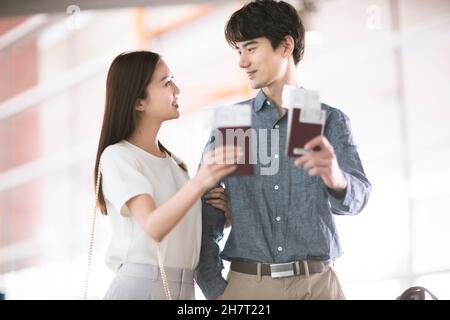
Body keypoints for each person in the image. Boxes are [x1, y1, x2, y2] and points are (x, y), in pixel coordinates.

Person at [195, 0, 372, 300]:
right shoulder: (234, 123)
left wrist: (335, 178)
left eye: (250, 48)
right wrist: (216, 290)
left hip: (318, 286)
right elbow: (205, 216)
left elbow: (357, 200)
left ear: (286, 46)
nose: (242, 61)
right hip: (249, 286)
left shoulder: (324, 118)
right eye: (238, 51)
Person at [94, 51, 238, 300]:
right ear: (139, 102)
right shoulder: (117, 156)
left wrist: (225, 218)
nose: (177, 88)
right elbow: (154, 226)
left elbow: (179, 230)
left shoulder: (176, 164)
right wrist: (202, 180)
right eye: (167, 82)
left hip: (183, 289)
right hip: (140, 287)